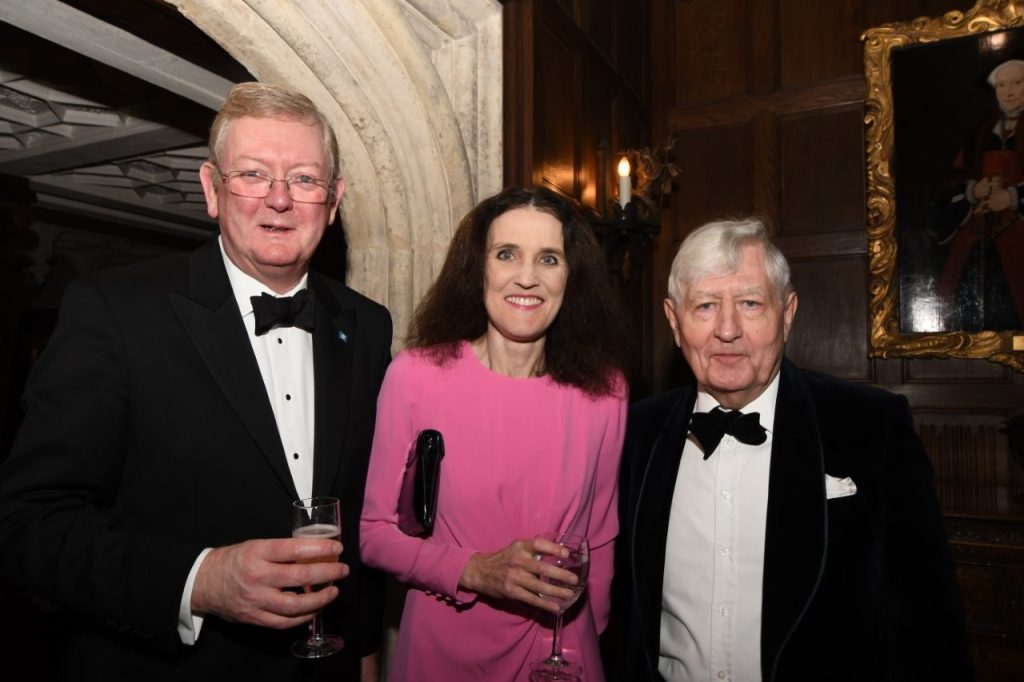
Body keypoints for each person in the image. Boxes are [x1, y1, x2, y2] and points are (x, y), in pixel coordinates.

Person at [0, 82, 392, 681]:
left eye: (304, 179)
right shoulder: (115, 311)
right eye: (253, 174)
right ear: (212, 189)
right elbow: (26, 522)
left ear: (333, 200)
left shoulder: (365, 324)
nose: (279, 199)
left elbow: (360, 513)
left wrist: (362, 650)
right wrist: (198, 580)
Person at [610, 218, 972, 681]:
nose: (727, 330)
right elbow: (618, 612)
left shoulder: (870, 426)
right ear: (674, 321)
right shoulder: (635, 433)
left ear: (787, 313)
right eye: (704, 305)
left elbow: (929, 617)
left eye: (750, 303)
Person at [360, 186, 632, 681]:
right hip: (443, 652)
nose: (527, 277)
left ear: (571, 276)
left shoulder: (605, 392)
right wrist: (473, 570)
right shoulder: (416, 377)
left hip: (561, 653)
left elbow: (600, 540)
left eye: (548, 258)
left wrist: (584, 645)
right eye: (506, 254)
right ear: (477, 268)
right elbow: (374, 534)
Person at [932, 58, 1024, 331]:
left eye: (1017, 83)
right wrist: (973, 190)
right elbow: (954, 180)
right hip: (976, 235)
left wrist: (1012, 198)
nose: (1009, 91)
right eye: (1002, 85)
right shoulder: (980, 134)